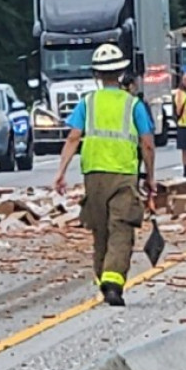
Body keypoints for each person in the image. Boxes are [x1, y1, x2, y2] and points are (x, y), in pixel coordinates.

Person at [53, 44, 156, 307]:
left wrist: (61, 172)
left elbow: (73, 137)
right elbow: (146, 143)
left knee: (100, 230)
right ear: (122, 73)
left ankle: (104, 280)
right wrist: (150, 177)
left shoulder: (87, 103)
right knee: (121, 228)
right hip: (123, 175)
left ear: (96, 75)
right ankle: (113, 282)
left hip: (94, 175)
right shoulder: (133, 104)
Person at [121, 72, 154, 181]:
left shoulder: (113, 103)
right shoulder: (137, 104)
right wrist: (150, 175)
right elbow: (147, 140)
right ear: (131, 86)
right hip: (133, 151)